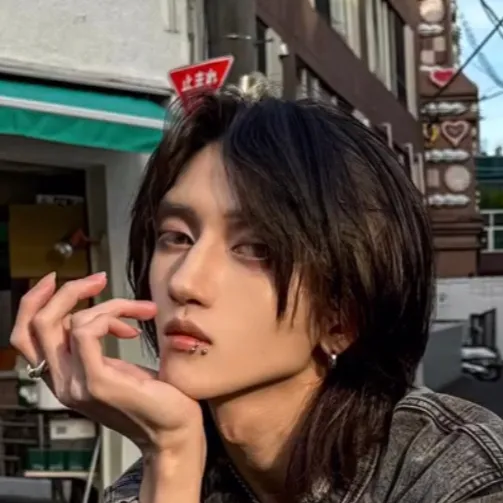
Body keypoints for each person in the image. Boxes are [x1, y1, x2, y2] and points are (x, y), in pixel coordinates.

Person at [10, 88, 503, 503]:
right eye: (176, 237)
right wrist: (171, 452)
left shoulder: (453, 474)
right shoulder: (162, 467)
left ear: (342, 316)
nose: (183, 282)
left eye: (256, 249)